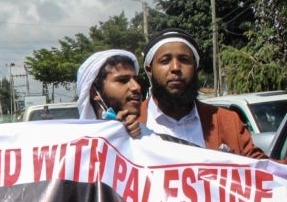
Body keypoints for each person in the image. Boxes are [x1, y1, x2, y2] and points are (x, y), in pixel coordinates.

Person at [139, 27, 266, 159]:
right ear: (149, 70)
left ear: (195, 67)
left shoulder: (227, 122)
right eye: (165, 61)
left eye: (184, 60)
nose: (175, 68)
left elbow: (264, 170)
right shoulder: (128, 124)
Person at [75, 49, 143, 138]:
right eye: (122, 80)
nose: (137, 87)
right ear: (94, 93)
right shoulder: (76, 145)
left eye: (136, 80)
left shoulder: (155, 139)